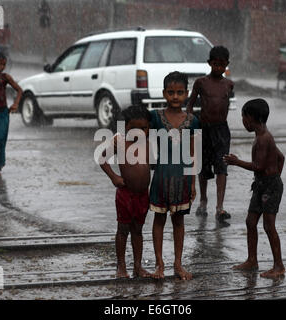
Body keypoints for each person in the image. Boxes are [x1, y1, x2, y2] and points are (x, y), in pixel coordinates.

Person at [223, 99, 285, 279]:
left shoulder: (265, 138)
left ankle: (279, 266)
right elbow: (281, 158)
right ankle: (252, 260)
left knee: (268, 225)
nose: (242, 121)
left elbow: (258, 166)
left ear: (250, 118)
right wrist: (272, 175)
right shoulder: (260, 135)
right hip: (261, 185)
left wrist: (236, 162)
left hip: (270, 187)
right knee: (251, 222)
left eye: (243, 117)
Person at [150, 71, 199, 280]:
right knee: (159, 219)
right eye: (171, 92)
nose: (175, 97)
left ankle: (178, 264)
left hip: (182, 179)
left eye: (180, 92)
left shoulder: (192, 121)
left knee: (179, 222)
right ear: (164, 93)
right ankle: (159, 264)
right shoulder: (155, 117)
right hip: (161, 176)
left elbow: (192, 153)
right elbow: (143, 139)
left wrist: (193, 182)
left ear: (187, 93)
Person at [100, 105, 152, 279]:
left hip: (143, 195)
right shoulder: (120, 142)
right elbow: (102, 158)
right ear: (125, 127)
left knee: (138, 230)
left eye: (143, 128)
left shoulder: (149, 141)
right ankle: (121, 266)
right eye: (133, 129)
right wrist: (114, 176)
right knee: (123, 229)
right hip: (125, 193)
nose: (138, 133)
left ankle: (138, 267)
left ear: (149, 128)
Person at [186, 46, 234, 223]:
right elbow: (190, 105)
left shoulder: (229, 85)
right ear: (209, 63)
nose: (219, 68)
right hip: (203, 129)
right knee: (203, 167)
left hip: (221, 131)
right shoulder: (201, 83)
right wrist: (191, 120)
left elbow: (225, 105)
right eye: (215, 64)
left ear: (227, 65)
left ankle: (220, 207)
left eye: (222, 65)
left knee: (222, 166)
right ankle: (203, 200)